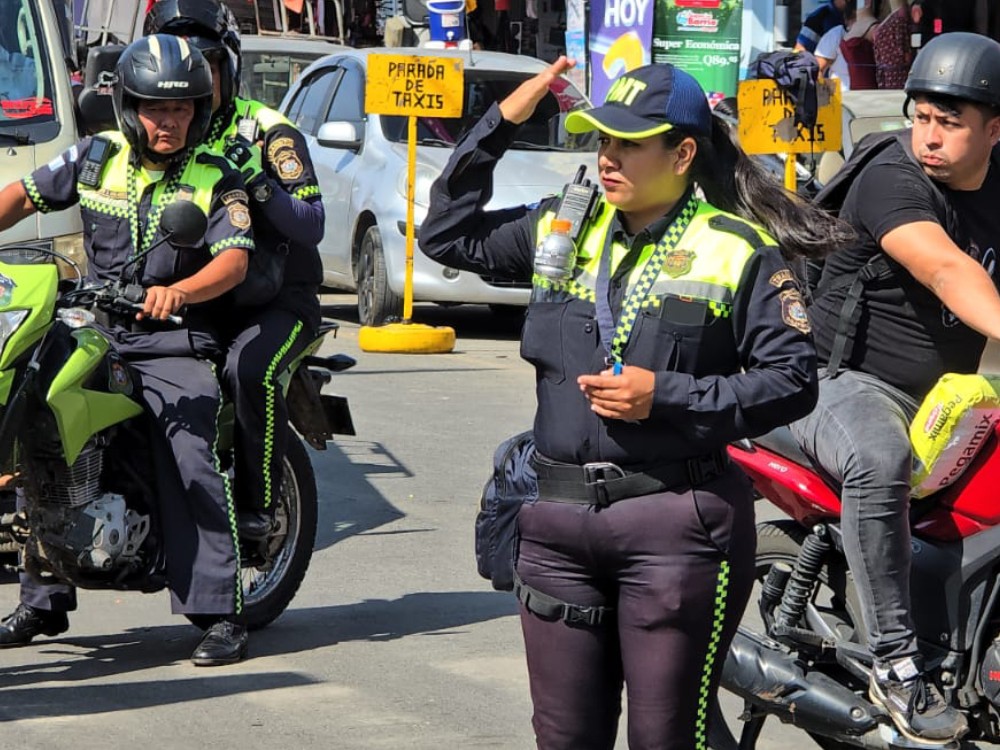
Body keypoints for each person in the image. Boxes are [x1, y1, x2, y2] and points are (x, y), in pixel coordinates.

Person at [419, 59, 851, 749]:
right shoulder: (565, 228)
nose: (608, 156)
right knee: (564, 737)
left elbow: (792, 378)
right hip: (557, 526)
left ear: (683, 153)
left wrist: (667, 395)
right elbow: (445, 236)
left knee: (666, 737)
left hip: (674, 529)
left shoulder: (735, 249)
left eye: (628, 142)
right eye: (601, 140)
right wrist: (501, 124)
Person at [0, 34, 253, 666]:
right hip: (90, 326)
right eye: (155, 109)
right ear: (128, 108)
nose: (170, 122)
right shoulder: (93, 159)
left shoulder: (215, 174)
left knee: (189, 443)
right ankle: (43, 596)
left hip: (169, 338)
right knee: (36, 424)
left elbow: (234, 263)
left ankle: (220, 610)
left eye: (183, 109)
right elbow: (21, 197)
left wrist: (178, 292)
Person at [789, 31, 1000, 743]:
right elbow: (946, 268)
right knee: (880, 459)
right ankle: (897, 664)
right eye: (923, 116)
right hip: (837, 383)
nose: (930, 135)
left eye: (951, 122)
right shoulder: (892, 175)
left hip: (946, 397)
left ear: (994, 129)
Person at [144, 0, 324, 539]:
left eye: (207, 63)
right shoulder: (162, 129)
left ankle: (258, 507)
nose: (194, 78)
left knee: (250, 369)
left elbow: (310, 223)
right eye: (182, 64)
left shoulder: (269, 131)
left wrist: (259, 180)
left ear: (229, 65)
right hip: (192, 294)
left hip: (272, 299)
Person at [873, 0, 924, 89]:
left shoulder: (900, 18)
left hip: (896, 77)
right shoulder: (898, 15)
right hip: (888, 74)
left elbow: (904, 51)